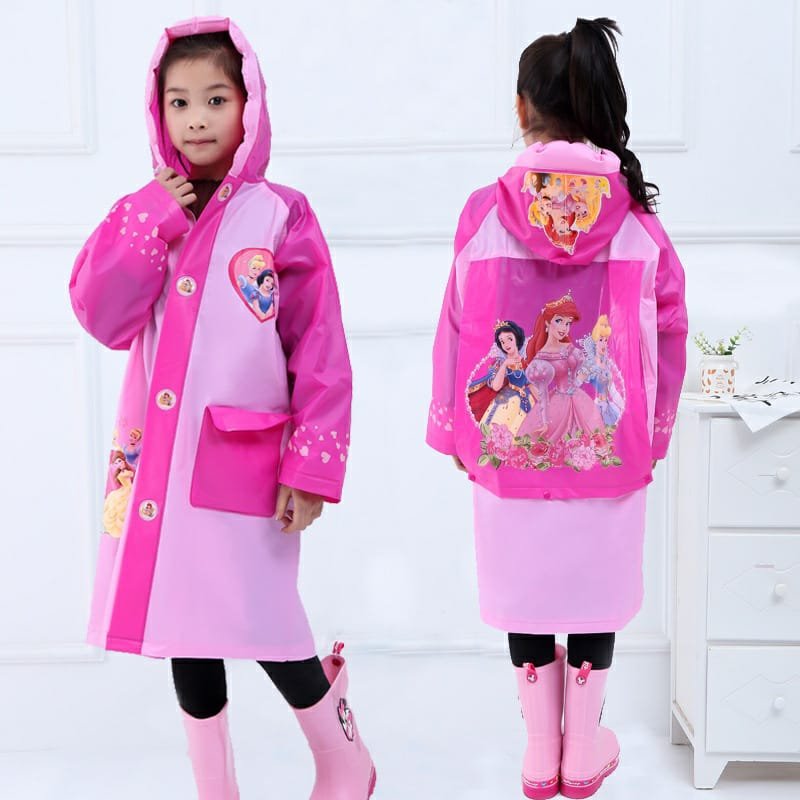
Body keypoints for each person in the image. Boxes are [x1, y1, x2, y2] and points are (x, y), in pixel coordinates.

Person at [68, 17, 375, 800]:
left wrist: (311, 467)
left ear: (249, 107)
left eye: (216, 99)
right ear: (158, 112)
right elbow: (103, 318)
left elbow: (319, 349)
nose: (197, 118)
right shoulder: (145, 213)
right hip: (161, 464)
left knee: (267, 615)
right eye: (178, 102)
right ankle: (216, 787)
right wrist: (149, 218)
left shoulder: (280, 215)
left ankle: (344, 758)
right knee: (183, 622)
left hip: (249, 460)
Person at [426, 18, 687, 799]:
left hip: (507, 452)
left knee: (529, 592)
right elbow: (670, 331)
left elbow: (455, 324)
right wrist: (652, 435)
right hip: (609, 453)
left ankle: (541, 752)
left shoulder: (483, 213)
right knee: (594, 595)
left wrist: (456, 430)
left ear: (522, 109)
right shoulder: (636, 223)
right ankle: (582, 755)